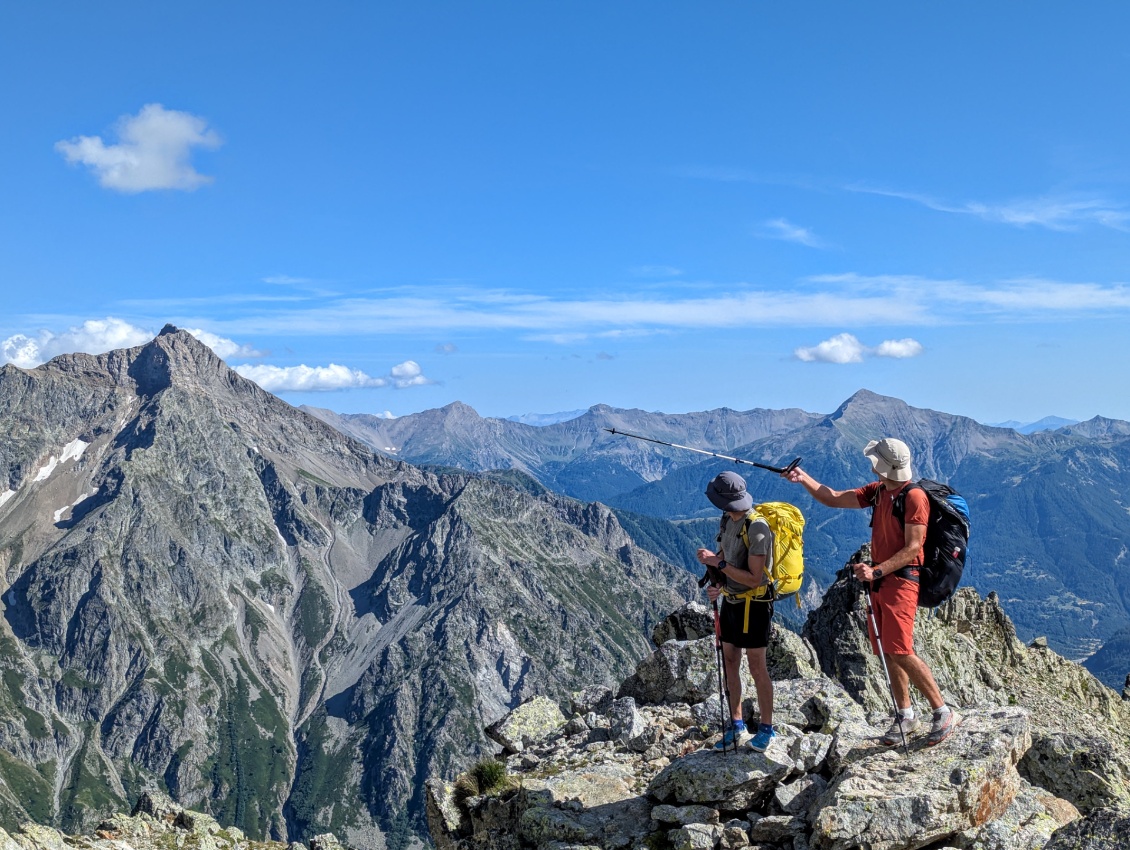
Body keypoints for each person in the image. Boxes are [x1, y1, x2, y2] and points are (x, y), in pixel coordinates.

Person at [784, 438, 960, 747]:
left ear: (885, 466)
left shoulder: (914, 497)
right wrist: (803, 478)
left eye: (875, 460)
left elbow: (913, 548)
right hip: (881, 581)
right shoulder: (880, 491)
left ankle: (942, 711)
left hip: (900, 581)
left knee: (901, 649)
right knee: (889, 649)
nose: (870, 464)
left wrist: (876, 571)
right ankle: (905, 714)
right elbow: (834, 498)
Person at [696, 470, 776, 752]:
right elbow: (724, 560)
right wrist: (716, 582)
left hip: (755, 605)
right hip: (731, 601)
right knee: (730, 661)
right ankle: (736, 724)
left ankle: (767, 728)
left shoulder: (757, 528)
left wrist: (717, 565)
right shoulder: (727, 520)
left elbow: (755, 578)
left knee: (756, 667)